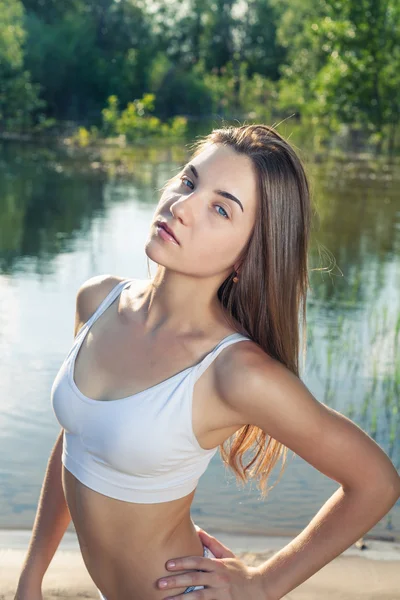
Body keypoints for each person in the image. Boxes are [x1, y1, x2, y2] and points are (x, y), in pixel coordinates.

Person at [15, 124, 400, 600]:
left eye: (221, 208)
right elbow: (79, 438)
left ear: (247, 255)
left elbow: (375, 482)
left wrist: (264, 582)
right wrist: (32, 577)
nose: (181, 207)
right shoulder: (96, 300)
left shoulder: (235, 372)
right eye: (188, 180)